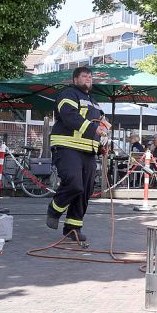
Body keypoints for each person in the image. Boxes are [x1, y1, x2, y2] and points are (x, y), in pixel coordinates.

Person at [45, 66, 110, 243]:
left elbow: (102, 126)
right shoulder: (68, 95)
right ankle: (54, 209)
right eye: (84, 76)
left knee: (85, 191)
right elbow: (70, 117)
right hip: (67, 148)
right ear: (75, 80)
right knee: (74, 183)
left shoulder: (95, 103)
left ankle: (73, 228)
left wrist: (102, 144)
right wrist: (94, 129)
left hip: (88, 151)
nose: (88, 78)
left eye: (90, 76)